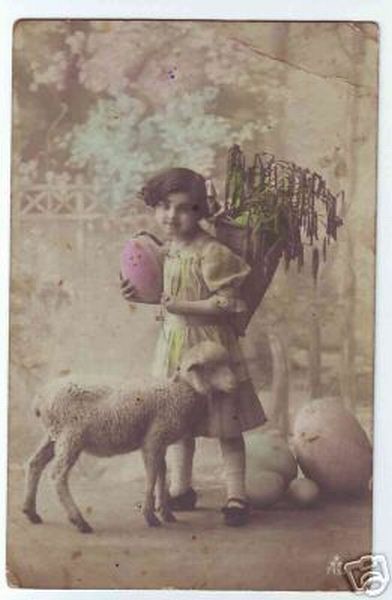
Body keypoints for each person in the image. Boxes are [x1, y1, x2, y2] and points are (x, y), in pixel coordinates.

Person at [121, 167, 267, 526]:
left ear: (201, 211)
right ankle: (182, 489)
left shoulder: (212, 252)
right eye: (164, 206)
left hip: (209, 348)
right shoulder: (167, 251)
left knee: (226, 425)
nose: (171, 216)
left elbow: (229, 303)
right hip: (174, 346)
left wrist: (178, 306)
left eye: (184, 208)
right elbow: (166, 297)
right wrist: (142, 297)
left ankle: (236, 496)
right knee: (177, 421)